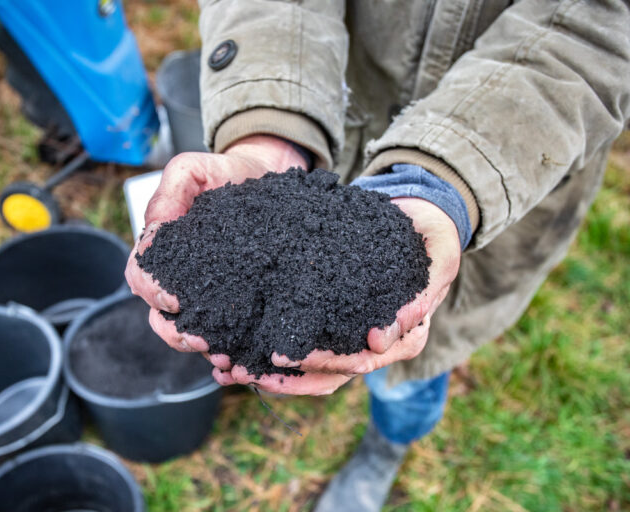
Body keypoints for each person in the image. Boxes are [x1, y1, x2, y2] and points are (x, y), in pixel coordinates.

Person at [125, 1, 630, 509]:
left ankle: (388, 444)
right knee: (362, 345)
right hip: (344, 100)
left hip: (507, 164)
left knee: (411, 370)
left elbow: (597, 29)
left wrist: (445, 181)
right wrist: (270, 126)